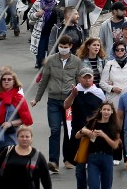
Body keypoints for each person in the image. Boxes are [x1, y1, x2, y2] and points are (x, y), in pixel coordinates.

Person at [30, 32, 81, 173]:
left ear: (70, 47)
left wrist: (80, 98)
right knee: (55, 130)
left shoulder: (77, 62)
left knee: (69, 131)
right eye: (60, 46)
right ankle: (53, 161)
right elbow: (44, 80)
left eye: (65, 46)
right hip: (53, 100)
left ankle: (68, 159)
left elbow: (80, 81)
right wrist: (37, 99)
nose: (62, 48)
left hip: (69, 101)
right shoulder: (51, 60)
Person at [77, 100, 122, 189]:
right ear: (100, 110)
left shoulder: (115, 126)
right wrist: (86, 131)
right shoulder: (93, 122)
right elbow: (77, 135)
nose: (106, 112)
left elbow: (115, 145)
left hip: (107, 158)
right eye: (104, 109)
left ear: (112, 112)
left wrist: (103, 135)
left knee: (107, 186)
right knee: (93, 185)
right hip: (93, 157)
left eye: (108, 110)